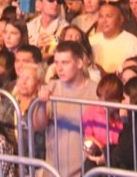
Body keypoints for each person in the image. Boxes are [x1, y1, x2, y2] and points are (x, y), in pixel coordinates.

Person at [34, 41, 98, 177]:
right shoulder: (52, 87)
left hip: (85, 171)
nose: (59, 68)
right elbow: (38, 126)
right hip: (53, 171)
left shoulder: (96, 91)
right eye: (56, 63)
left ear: (79, 63)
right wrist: (41, 104)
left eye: (65, 63)